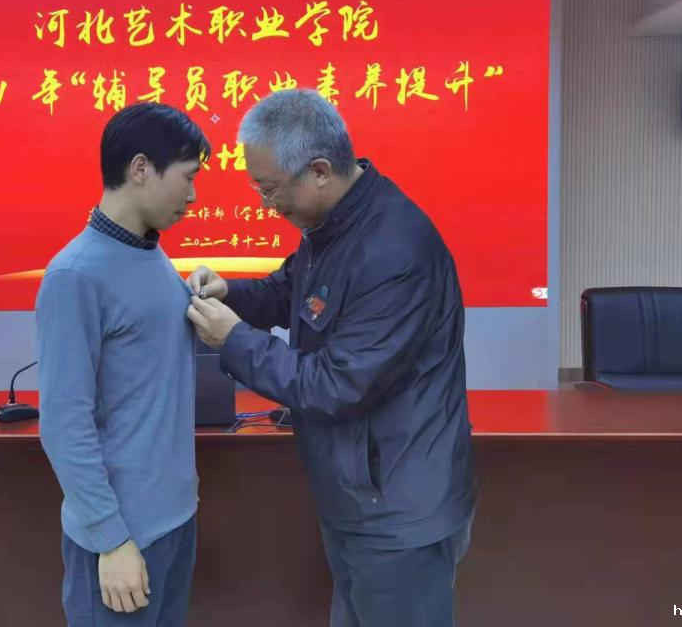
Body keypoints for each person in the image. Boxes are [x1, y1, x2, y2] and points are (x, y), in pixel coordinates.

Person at [186, 89, 477, 627]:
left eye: (270, 189)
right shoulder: (336, 226)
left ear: (319, 170)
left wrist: (235, 340)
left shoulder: (394, 250)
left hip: (397, 506)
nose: (266, 204)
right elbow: (293, 291)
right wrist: (232, 294)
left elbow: (336, 384)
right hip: (360, 495)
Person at [37, 101, 209, 626]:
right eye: (187, 177)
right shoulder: (75, 276)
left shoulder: (151, 255)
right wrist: (110, 540)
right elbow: (64, 423)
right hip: (122, 539)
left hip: (175, 520)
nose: (193, 195)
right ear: (140, 169)